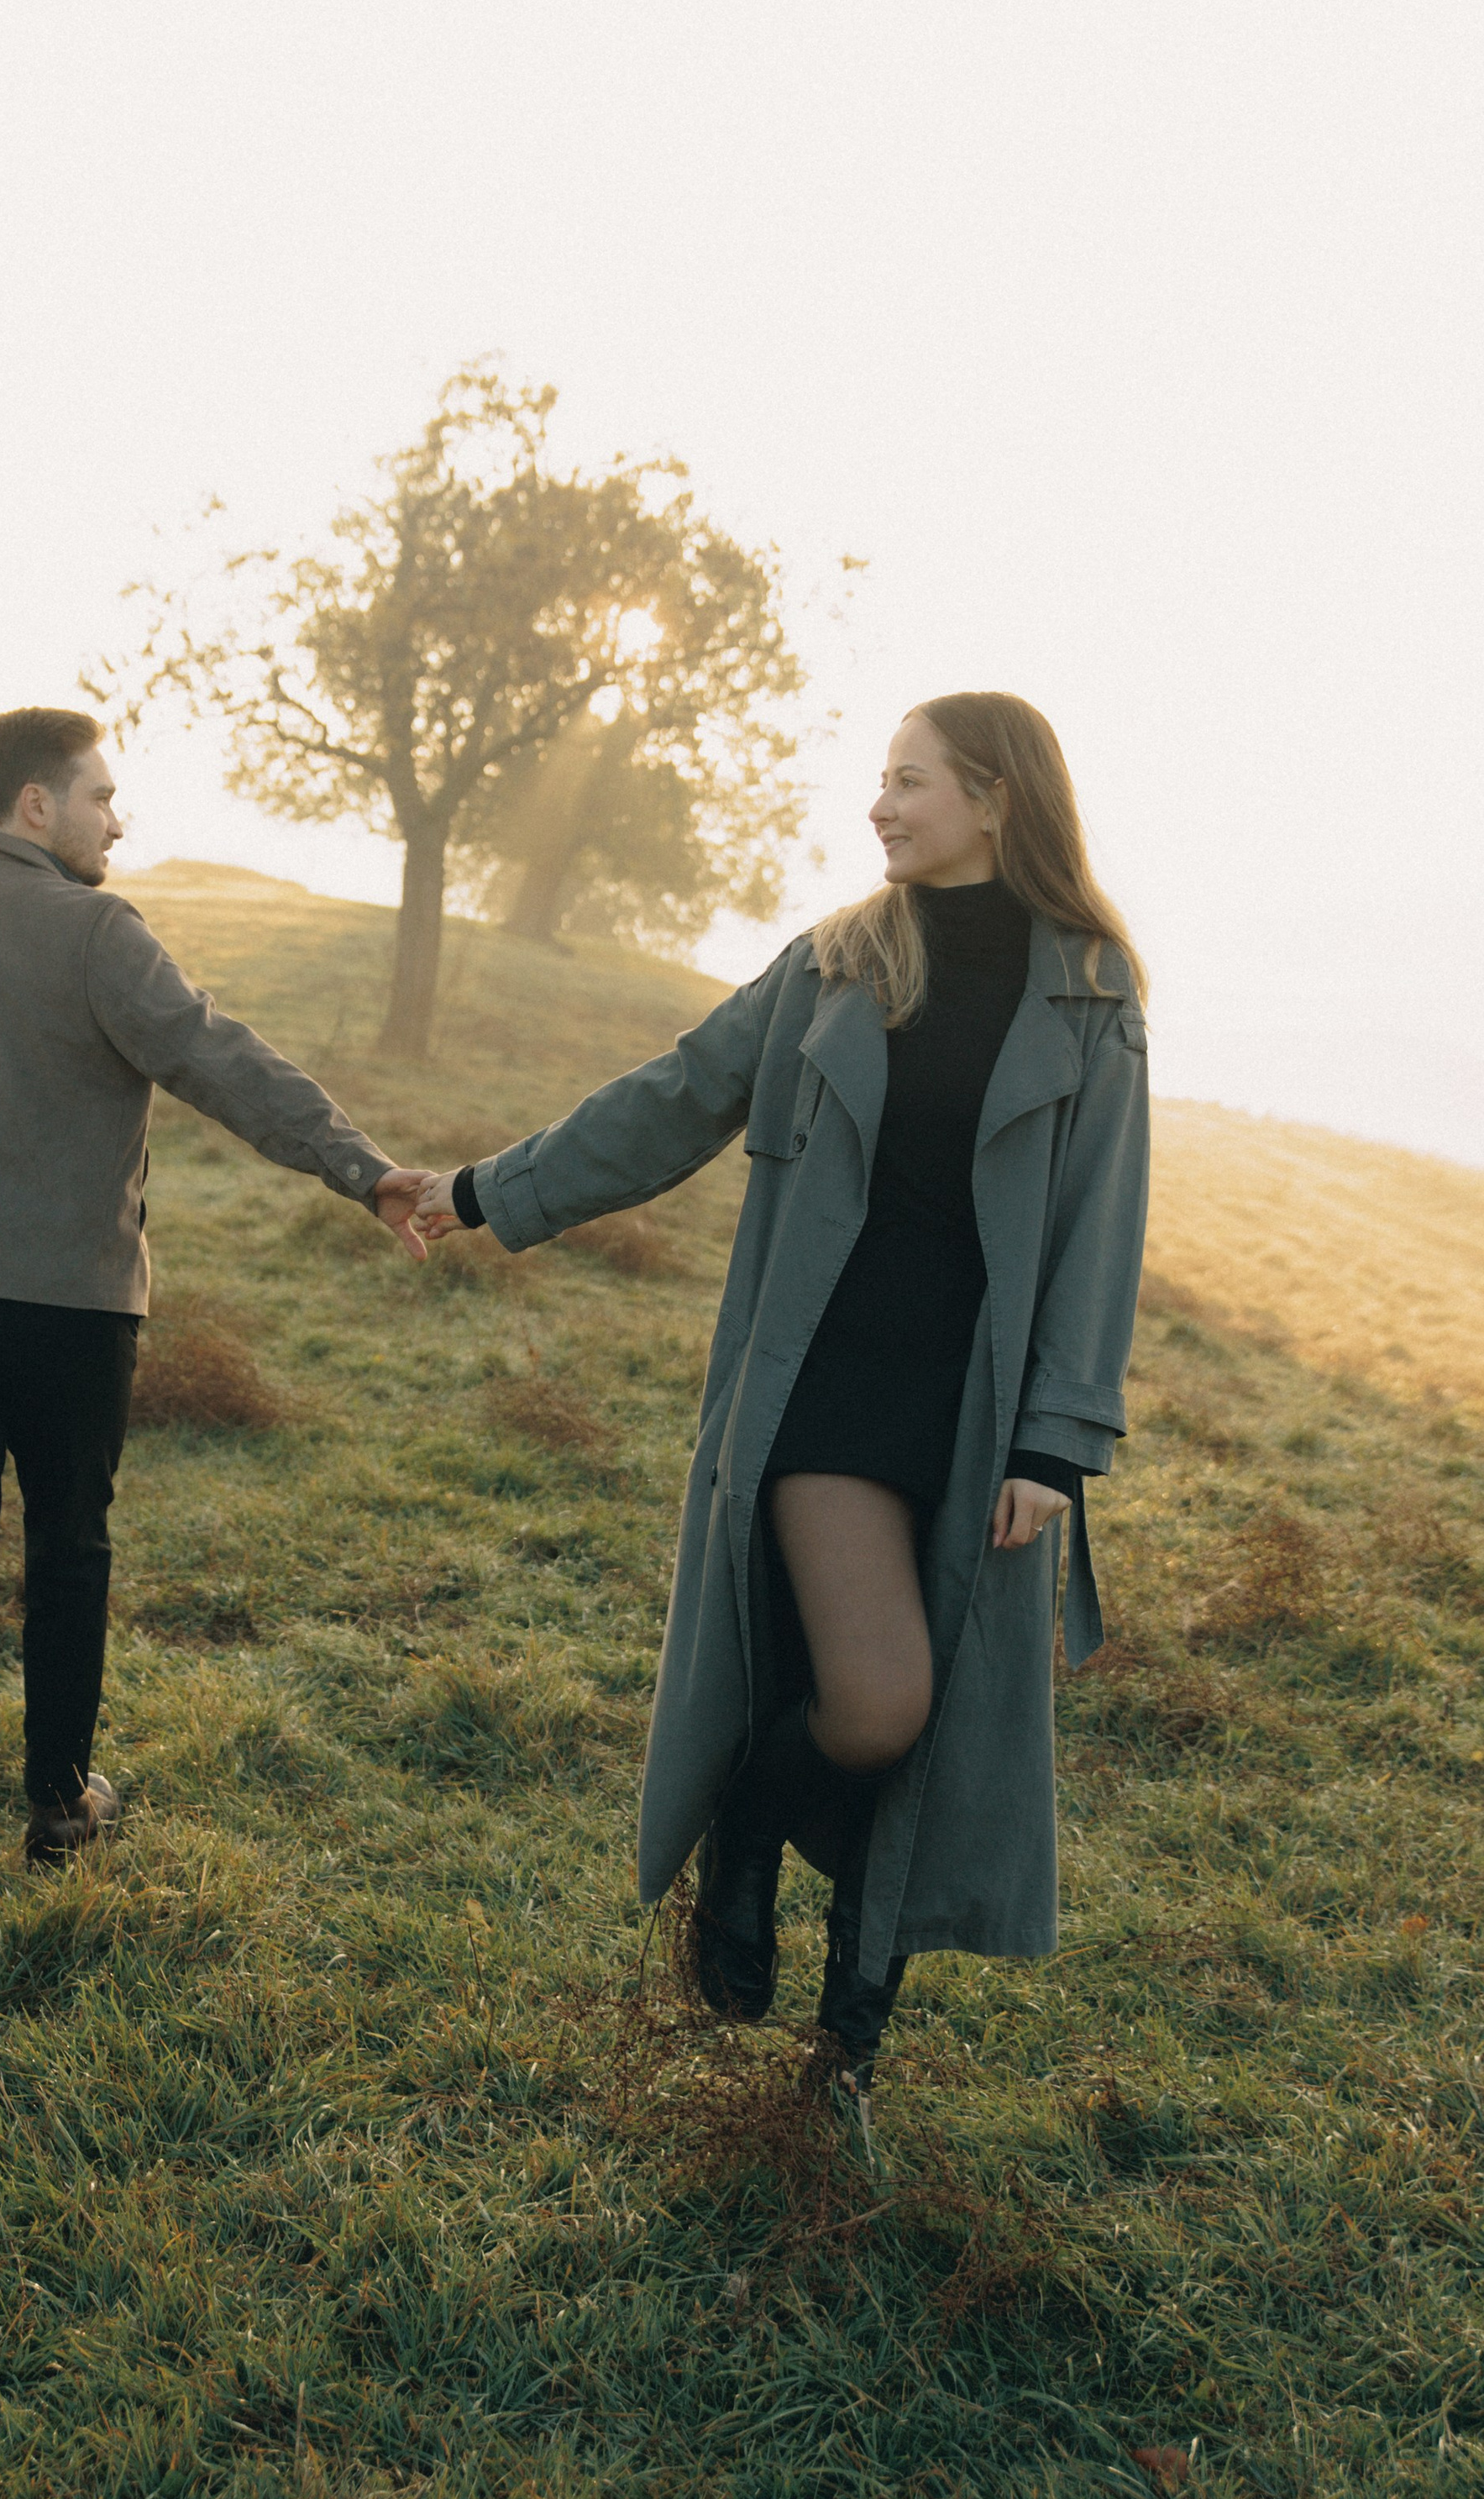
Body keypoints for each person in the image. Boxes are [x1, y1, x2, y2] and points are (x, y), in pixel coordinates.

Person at [412, 692, 1149, 2125]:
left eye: (910, 781)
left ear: (998, 800)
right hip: (819, 1389)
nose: (879, 806)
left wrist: (1059, 1439)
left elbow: (1098, 1224)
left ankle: (846, 2063)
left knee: (927, 1746)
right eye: (880, 779)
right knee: (880, 1703)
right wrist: (484, 1194)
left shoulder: (1093, 987)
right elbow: (674, 1099)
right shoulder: (835, 961)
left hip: (979, 1419)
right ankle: (745, 1823)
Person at [0, 706, 436, 2026]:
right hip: (66, 1309)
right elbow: (217, 1058)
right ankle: (58, 1804)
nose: (117, 820)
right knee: (70, 1548)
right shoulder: (97, 930)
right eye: (103, 797)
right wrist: (364, 1171)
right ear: (36, 808)